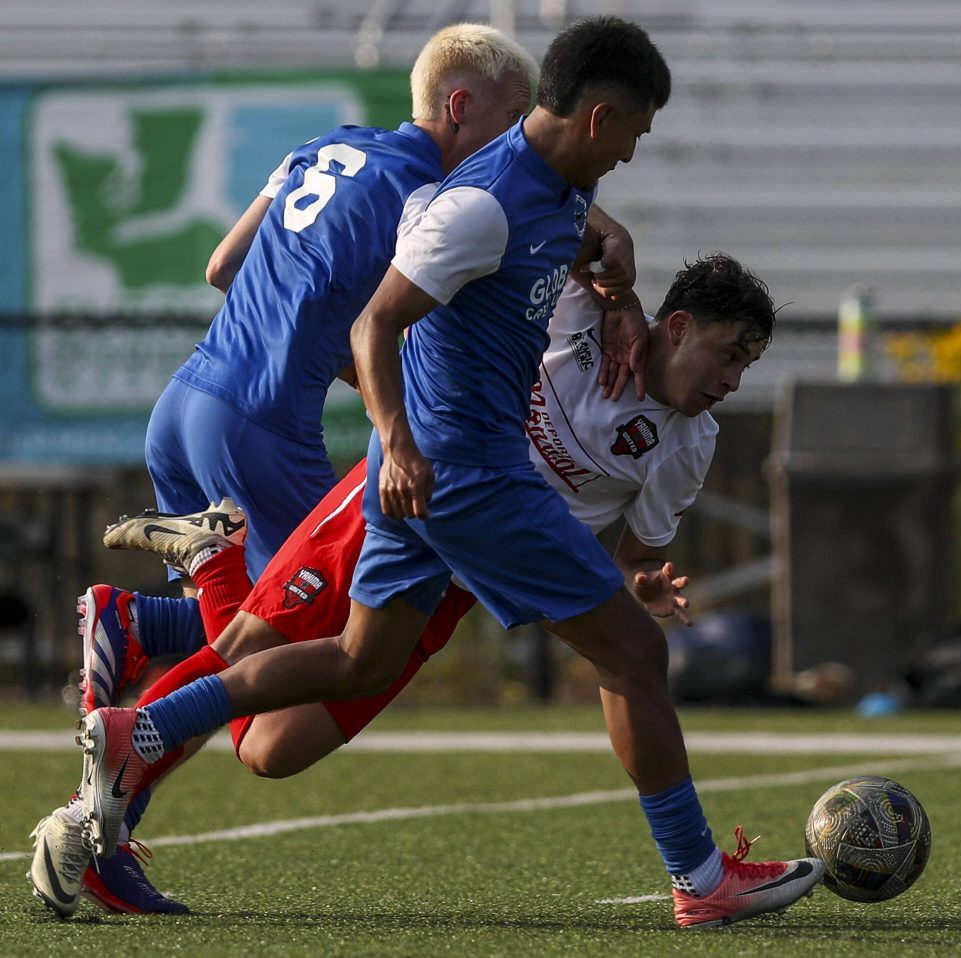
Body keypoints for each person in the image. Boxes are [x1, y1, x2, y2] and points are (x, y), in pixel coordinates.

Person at [74, 16, 824, 929]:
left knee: (346, 672)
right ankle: (701, 880)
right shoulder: (485, 202)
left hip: (429, 480)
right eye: (635, 132)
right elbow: (375, 323)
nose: (633, 153)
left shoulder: (550, 195)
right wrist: (395, 436)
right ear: (599, 116)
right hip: (457, 470)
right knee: (634, 653)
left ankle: (135, 729)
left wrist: (618, 285)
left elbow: (561, 232)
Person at [32, 250, 769, 918]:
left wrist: (633, 590)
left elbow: (625, 559)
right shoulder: (578, 314)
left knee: (269, 750)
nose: (731, 381)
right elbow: (571, 223)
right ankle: (91, 830)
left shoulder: (688, 443)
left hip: (452, 585)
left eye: (746, 367)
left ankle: (183, 589)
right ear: (674, 327)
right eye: (728, 354)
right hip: (402, 498)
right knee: (242, 647)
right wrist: (616, 294)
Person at [31, 22, 558, 918]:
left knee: (249, 630)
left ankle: (138, 626)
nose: (514, 146)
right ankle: (92, 833)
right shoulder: (435, 189)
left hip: (188, 401)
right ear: (460, 107)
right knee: (275, 639)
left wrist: (302, 328)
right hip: (263, 429)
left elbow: (222, 263)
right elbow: (399, 317)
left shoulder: (328, 145)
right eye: (509, 123)